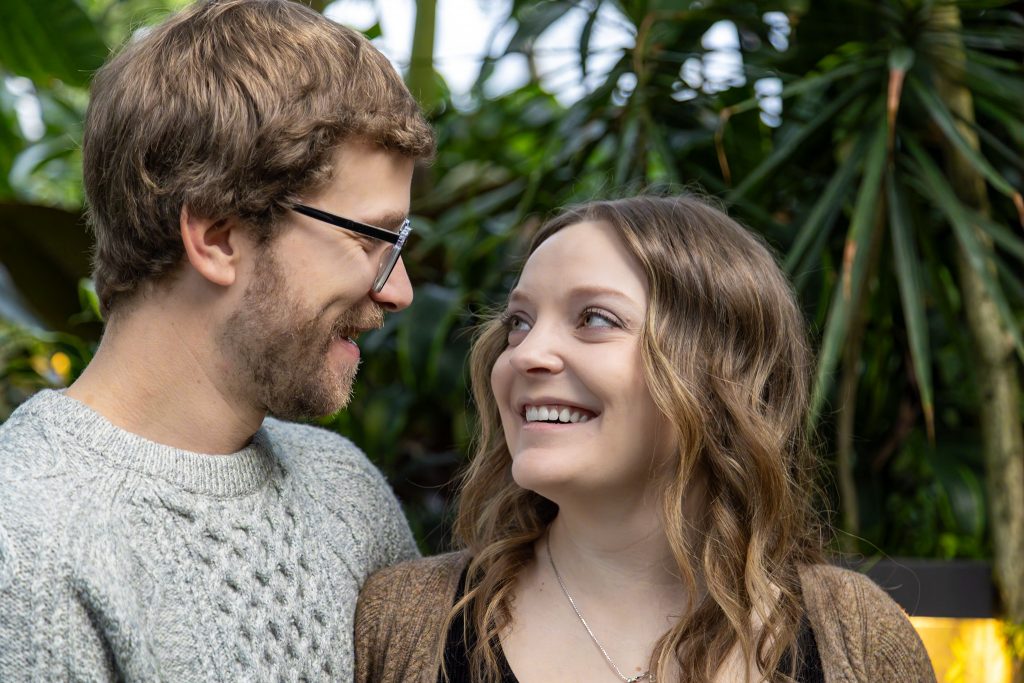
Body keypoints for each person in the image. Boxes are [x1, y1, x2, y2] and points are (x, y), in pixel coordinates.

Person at [0, 0, 434, 679]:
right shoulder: (25, 538)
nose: (398, 289)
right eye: (369, 238)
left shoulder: (345, 489)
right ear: (217, 237)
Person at [354, 195, 936, 682]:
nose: (525, 354)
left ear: (718, 371)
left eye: (595, 319)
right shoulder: (405, 623)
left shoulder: (855, 639)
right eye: (518, 322)